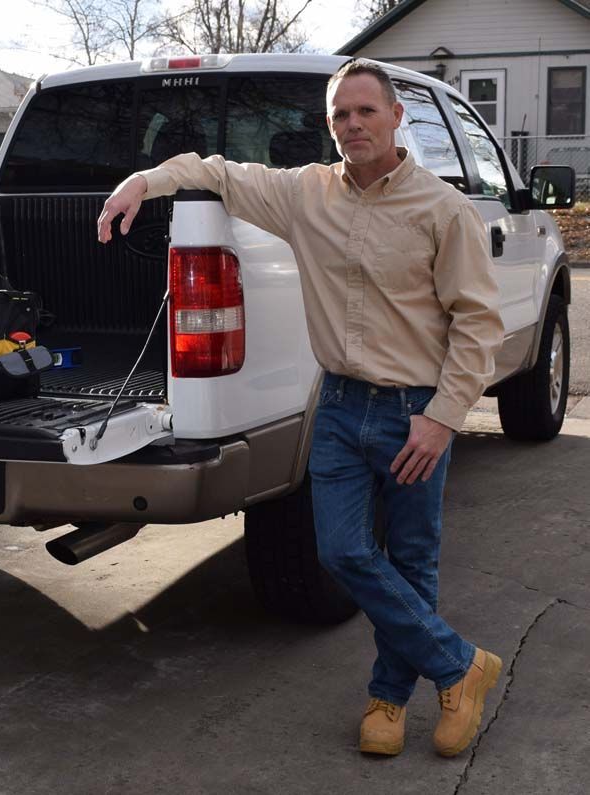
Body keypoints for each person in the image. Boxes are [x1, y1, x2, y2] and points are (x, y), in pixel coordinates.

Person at [96, 59, 506, 758]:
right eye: (339, 115)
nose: (351, 125)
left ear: (394, 115)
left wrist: (443, 416)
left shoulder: (443, 209)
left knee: (410, 558)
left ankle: (387, 697)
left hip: (414, 410)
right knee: (342, 549)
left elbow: (476, 323)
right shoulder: (304, 193)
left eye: (364, 111)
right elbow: (216, 170)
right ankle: (458, 664)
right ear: (328, 126)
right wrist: (142, 181)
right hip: (340, 408)